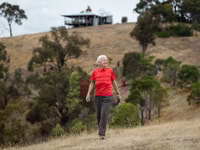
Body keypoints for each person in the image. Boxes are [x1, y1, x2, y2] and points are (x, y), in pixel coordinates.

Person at [86, 55, 121, 140]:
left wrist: (117, 92)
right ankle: (101, 130)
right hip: (97, 96)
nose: (106, 62)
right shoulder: (95, 72)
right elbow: (92, 84)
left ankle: (102, 133)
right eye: (104, 60)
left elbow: (114, 82)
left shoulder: (110, 71)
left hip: (108, 96)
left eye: (106, 60)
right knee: (98, 115)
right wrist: (88, 94)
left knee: (103, 114)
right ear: (99, 63)